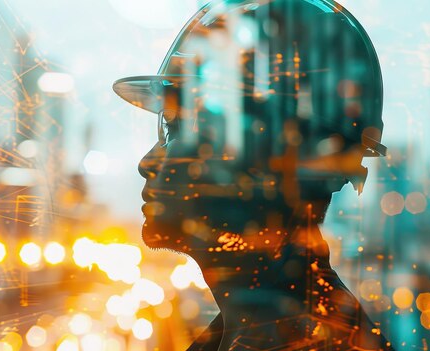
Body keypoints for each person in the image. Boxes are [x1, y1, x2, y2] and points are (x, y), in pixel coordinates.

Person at [113, 0, 394, 349]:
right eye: (169, 129)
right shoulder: (272, 327)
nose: (148, 162)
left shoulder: (305, 339)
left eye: (186, 129)